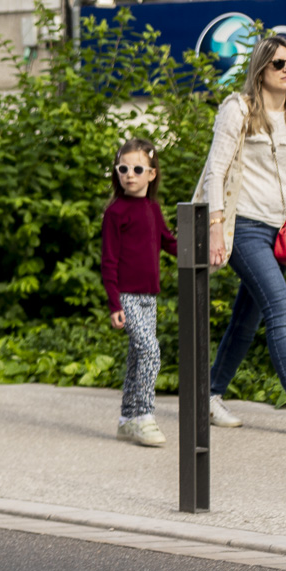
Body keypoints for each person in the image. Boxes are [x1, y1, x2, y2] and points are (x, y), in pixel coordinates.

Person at [198, 33, 286, 427]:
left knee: (247, 317)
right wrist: (216, 227)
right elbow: (215, 171)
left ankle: (209, 393)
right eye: (279, 63)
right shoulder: (239, 109)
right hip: (245, 228)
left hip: (281, 230)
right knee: (282, 309)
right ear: (261, 68)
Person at [101, 138, 174, 448]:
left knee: (136, 357)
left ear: (152, 173)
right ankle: (144, 415)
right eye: (123, 168)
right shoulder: (116, 213)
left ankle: (126, 420)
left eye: (138, 168)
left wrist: (201, 252)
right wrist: (114, 302)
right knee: (149, 350)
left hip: (149, 297)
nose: (130, 174)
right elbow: (109, 261)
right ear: (117, 173)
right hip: (127, 297)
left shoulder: (153, 209)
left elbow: (170, 243)